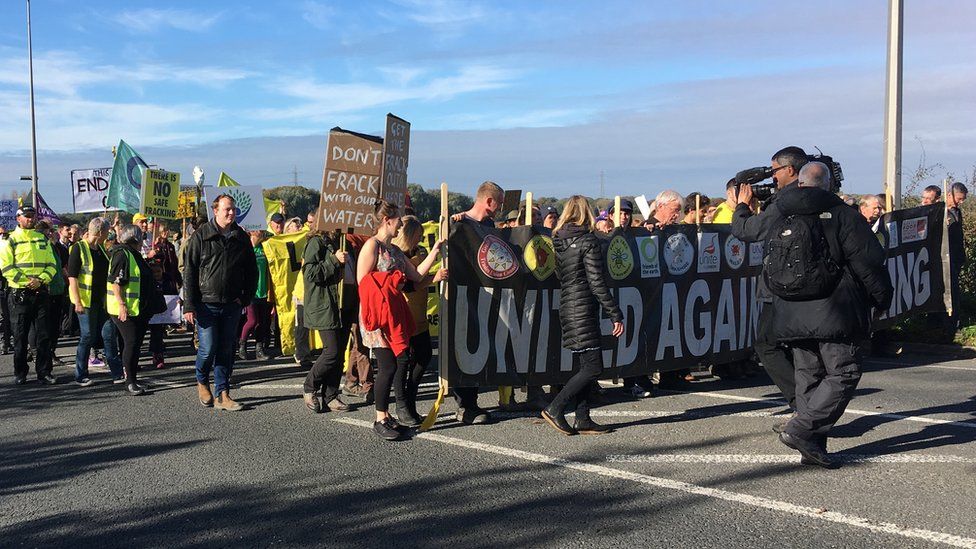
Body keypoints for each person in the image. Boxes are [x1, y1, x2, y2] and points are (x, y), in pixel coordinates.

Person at [756, 162, 892, 467]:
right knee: (844, 372)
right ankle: (802, 430)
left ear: (800, 184)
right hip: (834, 308)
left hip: (789, 309)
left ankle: (813, 446)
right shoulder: (843, 215)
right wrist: (882, 298)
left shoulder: (781, 214)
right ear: (828, 184)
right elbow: (868, 261)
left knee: (809, 375)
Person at [731, 146, 808, 429]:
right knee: (801, 348)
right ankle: (809, 405)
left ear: (790, 170)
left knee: (767, 344)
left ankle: (803, 407)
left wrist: (741, 206)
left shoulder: (787, 201)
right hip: (805, 285)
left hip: (782, 285)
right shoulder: (814, 196)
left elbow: (748, 231)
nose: (771, 177)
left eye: (774, 170)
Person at [358, 200, 444, 440]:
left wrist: (436, 250)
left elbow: (416, 275)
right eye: (398, 220)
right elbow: (363, 282)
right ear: (388, 221)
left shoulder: (394, 250)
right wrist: (390, 281)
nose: (400, 224)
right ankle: (380, 417)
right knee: (388, 366)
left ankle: (385, 415)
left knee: (393, 364)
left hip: (393, 313)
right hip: (377, 314)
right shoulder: (371, 246)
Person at [542, 196, 625, 435]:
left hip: (568, 305)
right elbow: (596, 281)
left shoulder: (558, 240)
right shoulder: (588, 241)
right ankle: (555, 408)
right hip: (583, 307)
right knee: (593, 367)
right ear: (587, 213)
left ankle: (583, 417)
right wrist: (615, 313)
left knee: (585, 365)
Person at [183, 194, 258, 412]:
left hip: (231, 304)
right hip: (206, 304)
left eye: (233, 209)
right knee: (208, 348)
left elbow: (252, 271)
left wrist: (245, 298)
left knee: (226, 349)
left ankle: (223, 393)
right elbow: (189, 272)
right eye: (227, 209)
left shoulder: (241, 237)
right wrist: (189, 305)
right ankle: (202, 380)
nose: (231, 213)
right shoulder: (201, 236)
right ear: (215, 211)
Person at [448, 181, 504, 425]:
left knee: (480, 347)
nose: (500, 208)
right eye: (498, 203)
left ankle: (472, 402)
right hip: (463, 295)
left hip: (486, 296)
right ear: (489, 201)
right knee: (464, 346)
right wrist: (451, 224)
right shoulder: (458, 223)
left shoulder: (490, 225)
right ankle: (465, 405)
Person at [392, 216, 448, 425]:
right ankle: (401, 405)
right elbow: (411, 282)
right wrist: (432, 277)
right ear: (408, 235)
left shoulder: (418, 252)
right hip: (403, 315)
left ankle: (411, 400)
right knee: (403, 362)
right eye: (418, 236)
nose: (421, 240)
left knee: (423, 357)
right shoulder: (396, 255)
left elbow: (420, 277)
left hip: (420, 315)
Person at [0, 206, 58, 385]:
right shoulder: (10, 240)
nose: (30, 219)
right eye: (27, 216)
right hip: (19, 293)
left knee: (44, 335)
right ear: (18, 219)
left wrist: (40, 280)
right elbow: (7, 268)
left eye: (32, 216)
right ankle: (20, 372)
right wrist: (27, 282)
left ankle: (44, 371)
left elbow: (52, 264)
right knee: (20, 336)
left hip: (40, 292)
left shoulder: (42, 238)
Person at [108, 224, 164, 396]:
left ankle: (133, 379)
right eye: (142, 236)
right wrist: (122, 305)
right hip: (126, 310)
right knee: (131, 343)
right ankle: (130, 382)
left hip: (138, 310)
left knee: (135, 344)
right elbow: (116, 282)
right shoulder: (122, 254)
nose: (144, 239)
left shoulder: (134, 254)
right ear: (135, 238)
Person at [300, 228, 352, 414]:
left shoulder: (342, 240)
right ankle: (309, 386)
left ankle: (330, 395)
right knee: (332, 351)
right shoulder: (316, 242)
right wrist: (333, 260)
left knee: (338, 355)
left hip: (342, 304)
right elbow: (310, 273)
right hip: (324, 305)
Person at [68, 217, 123, 386]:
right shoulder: (79, 248)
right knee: (87, 336)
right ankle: (81, 374)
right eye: (106, 232)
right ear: (99, 232)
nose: (108, 235)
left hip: (103, 302)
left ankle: (117, 373)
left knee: (109, 336)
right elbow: (72, 277)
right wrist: (77, 301)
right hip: (86, 302)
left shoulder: (100, 249)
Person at [36, 221, 69, 373]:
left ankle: (52, 352)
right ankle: (43, 357)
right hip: (46, 292)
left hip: (58, 290)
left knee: (55, 327)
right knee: (46, 329)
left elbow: (60, 266)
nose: (50, 234)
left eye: (50, 231)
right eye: (46, 232)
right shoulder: (39, 248)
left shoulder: (55, 247)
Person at [147, 225, 181, 369]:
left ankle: (158, 354)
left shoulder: (171, 247)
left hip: (165, 291)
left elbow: (174, 264)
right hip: (148, 300)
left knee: (158, 330)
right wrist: (150, 255)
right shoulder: (154, 247)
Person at [239, 230, 272, 360]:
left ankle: (259, 349)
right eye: (257, 230)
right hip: (251, 291)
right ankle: (242, 345)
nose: (260, 232)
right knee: (252, 320)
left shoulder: (265, 247)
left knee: (262, 322)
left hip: (263, 290)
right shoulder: (245, 248)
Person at [945, 182, 968, 335]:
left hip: (956, 257)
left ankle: (954, 322)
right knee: (949, 292)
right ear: (950, 195)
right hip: (946, 259)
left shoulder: (956, 212)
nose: (960, 202)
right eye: (959, 198)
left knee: (955, 291)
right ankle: (948, 325)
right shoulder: (941, 213)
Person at [0, 227, 10, 355]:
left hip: (4, 288)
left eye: (4, 234)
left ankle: (5, 343)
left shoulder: (5, 249)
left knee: (4, 317)